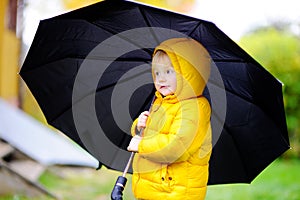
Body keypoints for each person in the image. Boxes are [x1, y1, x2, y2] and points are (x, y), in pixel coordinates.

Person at [127, 37, 212, 200]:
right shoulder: (160, 102)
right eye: (157, 72)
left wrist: (142, 145)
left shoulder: (195, 107)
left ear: (189, 74)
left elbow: (177, 146)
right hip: (151, 188)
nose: (161, 79)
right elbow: (153, 133)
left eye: (168, 72)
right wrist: (139, 126)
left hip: (174, 192)